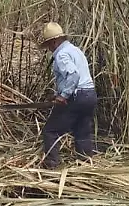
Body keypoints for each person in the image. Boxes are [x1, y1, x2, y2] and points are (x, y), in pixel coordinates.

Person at [37, 22, 97, 168]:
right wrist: (57, 94)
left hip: (76, 96)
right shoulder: (75, 50)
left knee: (50, 131)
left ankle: (53, 166)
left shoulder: (62, 54)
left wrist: (63, 95)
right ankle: (86, 165)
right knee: (82, 131)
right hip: (89, 95)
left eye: (49, 45)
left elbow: (73, 74)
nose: (49, 49)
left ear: (54, 41)